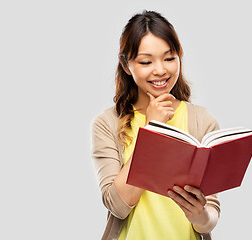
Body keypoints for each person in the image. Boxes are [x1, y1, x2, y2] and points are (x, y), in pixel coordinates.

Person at [91, 10, 220, 240]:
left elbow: (209, 219)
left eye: (169, 58)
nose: (160, 70)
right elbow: (118, 206)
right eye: (146, 61)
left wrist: (199, 215)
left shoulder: (202, 121)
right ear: (126, 64)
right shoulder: (107, 124)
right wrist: (151, 130)